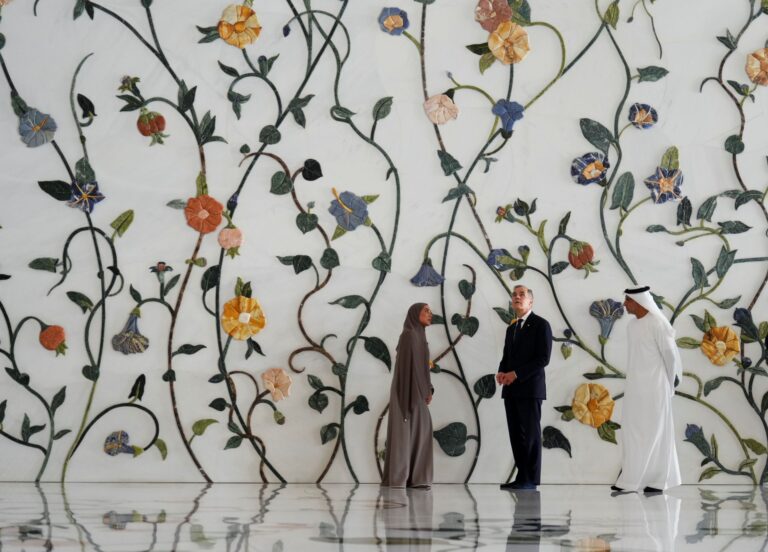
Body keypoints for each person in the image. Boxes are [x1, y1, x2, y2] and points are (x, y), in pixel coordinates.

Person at [612, 285, 682, 493]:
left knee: (655, 433)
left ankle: (654, 481)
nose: (624, 304)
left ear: (639, 301)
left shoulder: (658, 324)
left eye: (628, 300)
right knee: (633, 432)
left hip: (656, 389)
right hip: (635, 388)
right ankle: (634, 478)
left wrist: (670, 385)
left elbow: (670, 357)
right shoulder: (632, 326)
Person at [497, 285, 552, 491]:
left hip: (530, 389)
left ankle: (531, 479)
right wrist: (502, 372)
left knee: (530, 435)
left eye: (522, 295)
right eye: (514, 295)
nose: (517, 297)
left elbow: (543, 359)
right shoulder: (511, 328)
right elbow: (506, 357)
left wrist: (517, 374)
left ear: (531, 301)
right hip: (510, 390)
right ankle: (522, 477)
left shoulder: (541, 325)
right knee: (515, 435)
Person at [381, 303, 434, 488]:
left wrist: (428, 388)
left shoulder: (420, 336)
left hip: (418, 390)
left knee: (420, 430)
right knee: (406, 432)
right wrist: (414, 394)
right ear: (414, 313)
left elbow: (421, 367)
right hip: (406, 390)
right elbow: (406, 369)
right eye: (426, 310)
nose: (430, 314)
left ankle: (415, 478)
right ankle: (402, 478)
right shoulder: (409, 335)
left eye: (430, 311)